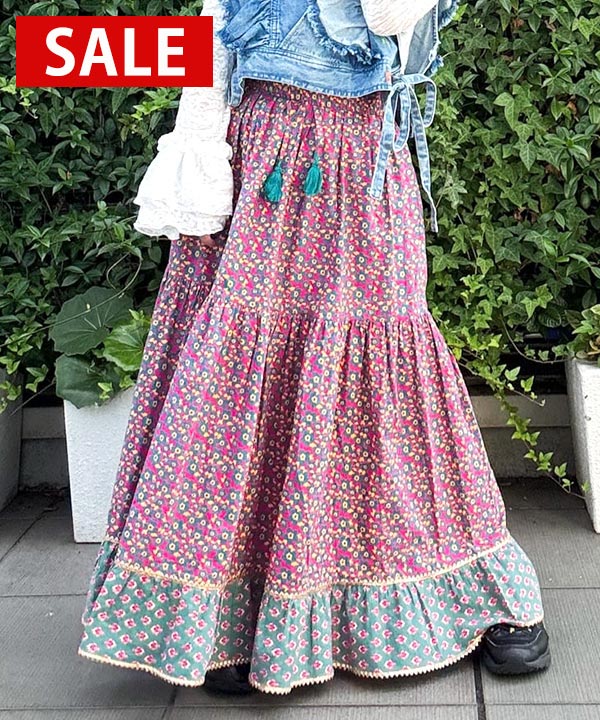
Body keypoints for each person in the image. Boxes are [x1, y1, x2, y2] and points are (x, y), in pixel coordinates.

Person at [77, 0, 551, 696]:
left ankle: (469, 588)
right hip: (260, 160)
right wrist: (199, 167)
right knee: (238, 383)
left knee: (385, 375)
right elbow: (212, 37)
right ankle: (231, 615)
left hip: (362, 159)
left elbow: (388, 16)